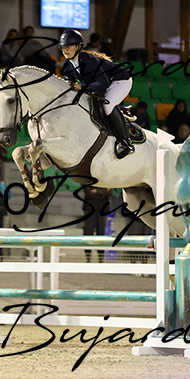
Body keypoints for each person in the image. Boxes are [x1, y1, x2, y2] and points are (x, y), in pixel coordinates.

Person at [59, 29, 134, 159]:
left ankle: (126, 142)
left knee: (108, 105)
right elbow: (69, 83)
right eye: (62, 47)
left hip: (120, 80)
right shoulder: (67, 63)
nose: (65, 49)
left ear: (78, 47)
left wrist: (82, 87)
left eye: (69, 46)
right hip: (102, 83)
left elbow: (103, 84)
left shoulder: (88, 60)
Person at [83, 187, 113, 263]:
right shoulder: (88, 180)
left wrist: (96, 191)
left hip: (103, 209)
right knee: (88, 233)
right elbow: (88, 193)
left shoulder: (106, 180)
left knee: (101, 234)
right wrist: (103, 192)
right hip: (89, 209)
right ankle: (88, 257)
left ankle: (100, 258)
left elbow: (109, 192)